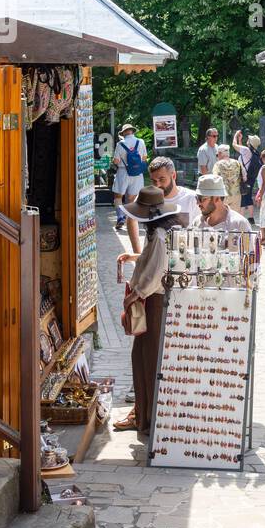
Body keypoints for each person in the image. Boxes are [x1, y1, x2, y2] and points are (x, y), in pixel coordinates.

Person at [112, 187, 184, 434]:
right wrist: (134, 258)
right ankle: (143, 415)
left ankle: (149, 418)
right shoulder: (157, 234)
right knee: (142, 357)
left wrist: (136, 294)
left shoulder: (160, 236)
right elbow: (152, 263)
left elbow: (156, 272)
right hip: (149, 301)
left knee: (149, 359)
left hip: (153, 303)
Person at [111, 123, 147, 237]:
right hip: (137, 174)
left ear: (124, 133)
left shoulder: (120, 144)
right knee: (132, 198)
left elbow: (116, 161)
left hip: (123, 172)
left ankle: (120, 217)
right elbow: (144, 158)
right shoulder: (140, 142)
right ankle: (130, 222)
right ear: (132, 131)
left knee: (118, 196)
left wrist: (115, 160)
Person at [233, 131, 262, 220]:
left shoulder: (246, 150)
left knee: (243, 198)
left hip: (243, 178)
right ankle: (251, 218)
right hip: (251, 177)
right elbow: (243, 154)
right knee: (248, 196)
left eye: (249, 139)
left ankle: (241, 219)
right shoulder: (255, 152)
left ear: (250, 143)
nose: (248, 140)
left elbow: (234, 145)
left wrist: (235, 135)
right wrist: (240, 140)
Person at [213, 143, 245, 211]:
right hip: (236, 195)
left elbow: (215, 179)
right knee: (234, 217)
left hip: (223, 195)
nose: (217, 157)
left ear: (220, 153)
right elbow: (245, 177)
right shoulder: (237, 163)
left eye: (217, 155)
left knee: (222, 217)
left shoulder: (218, 164)